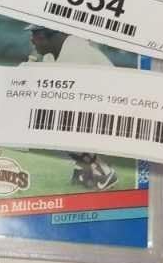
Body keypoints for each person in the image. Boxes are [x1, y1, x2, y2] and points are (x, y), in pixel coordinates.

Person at [17, 27, 118, 191]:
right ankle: (83, 169)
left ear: (50, 35)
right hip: (96, 107)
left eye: (36, 34)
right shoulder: (51, 55)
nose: (32, 39)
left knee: (54, 122)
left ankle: (103, 171)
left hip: (118, 110)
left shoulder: (75, 52)